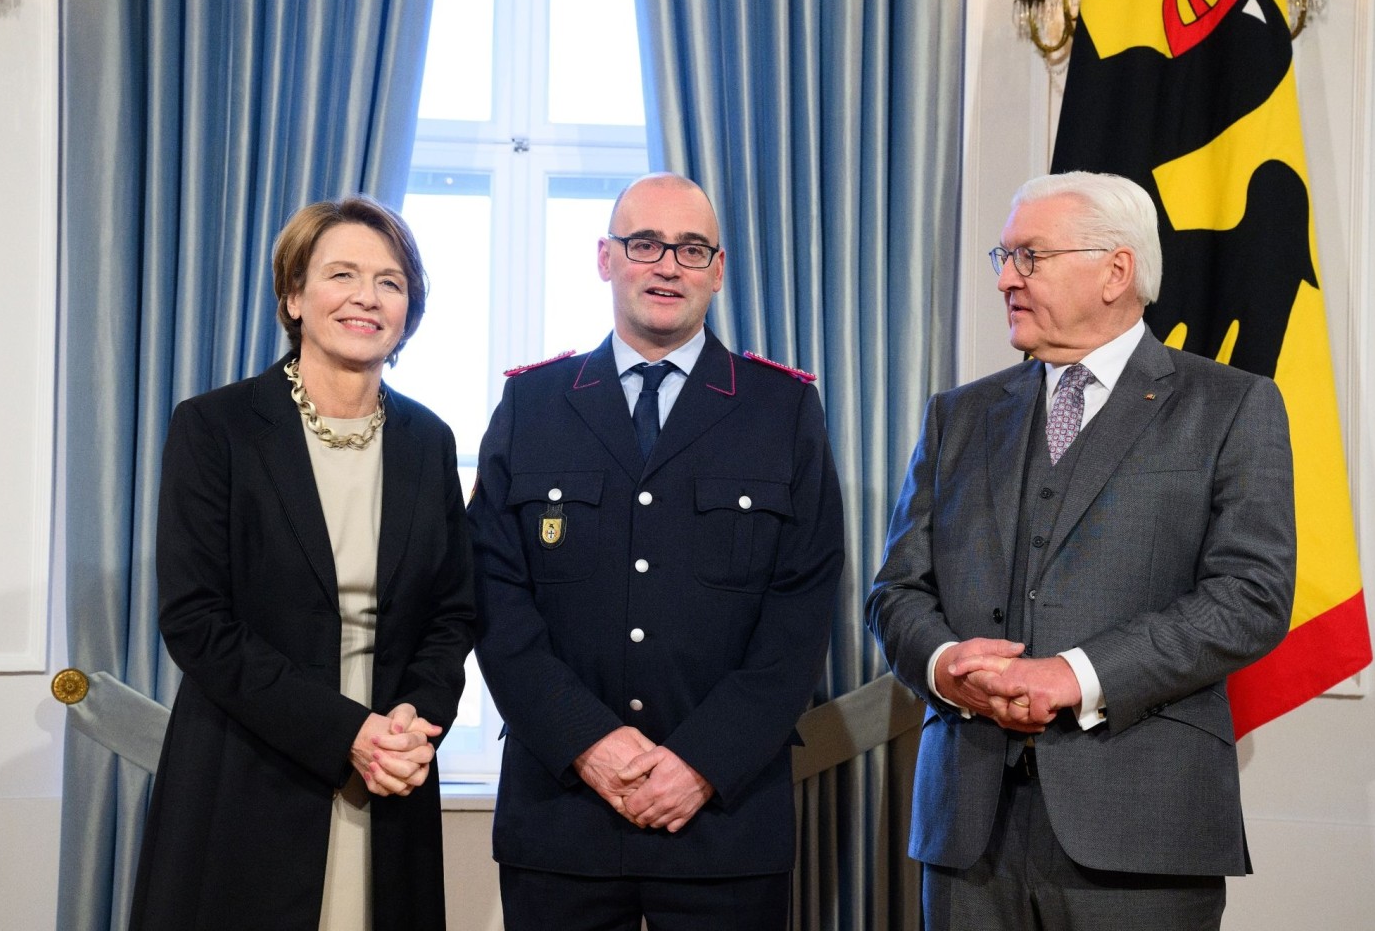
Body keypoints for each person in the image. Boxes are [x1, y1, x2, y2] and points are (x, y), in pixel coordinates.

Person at [866, 171, 1295, 931]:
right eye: (1005, 256)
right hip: (968, 833)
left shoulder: (1232, 406)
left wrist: (1076, 674)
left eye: (1029, 257)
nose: (1005, 278)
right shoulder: (957, 416)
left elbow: (1251, 597)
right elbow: (897, 591)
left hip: (1142, 833)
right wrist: (945, 667)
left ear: (1115, 270)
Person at [468, 172, 845, 930]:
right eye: (645, 244)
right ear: (606, 258)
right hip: (562, 814)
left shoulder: (782, 410)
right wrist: (589, 744)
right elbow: (492, 597)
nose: (667, 265)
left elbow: (800, 611)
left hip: (724, 825)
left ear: (718, 269)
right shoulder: (532, 405)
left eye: (690, 248)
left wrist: (701, 763)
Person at [130, 195, 477, 930]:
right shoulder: (216, 427)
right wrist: (346, 732)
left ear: (409, 309)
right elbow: (195, 620)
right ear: (294, 295)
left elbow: (454, 611)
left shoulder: (429, 440)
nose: (366, 296)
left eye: (389, 281)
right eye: (341, 274)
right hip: (247, 770)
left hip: (391, 774)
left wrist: (413, 723)